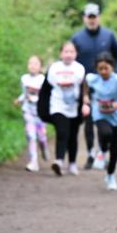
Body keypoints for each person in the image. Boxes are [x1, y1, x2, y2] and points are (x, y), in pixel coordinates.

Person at [70, 3, 117, 171]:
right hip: (85, 86)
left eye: (94, 17)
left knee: (104, 120)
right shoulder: (77, 38)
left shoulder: (108, 36)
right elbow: (71, 60)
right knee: (88, 121)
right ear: (84, 18)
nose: (92, 20)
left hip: (106, 86)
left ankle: (103, 152)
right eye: (89, 17)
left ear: (99, 17)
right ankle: (90, 154)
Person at [81, 51, 117, 191]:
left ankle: (110, 175)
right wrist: (85, 97)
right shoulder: (93, 78)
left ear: (112, 67)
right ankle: (102, 152)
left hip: (116, 118)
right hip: (99, 114)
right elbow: (85, 82)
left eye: (106, 68)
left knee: (115, 149)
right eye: (100, 68)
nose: (103, 71)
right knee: (105, 132)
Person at [37, 41, 86, 176]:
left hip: (75, 107)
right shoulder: (53, 69)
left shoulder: (80, 69)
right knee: (62, 132)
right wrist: (42, 109)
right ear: (60, 53)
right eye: (66, 51)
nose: (68, 54)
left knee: (73, 136)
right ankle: (58, 161)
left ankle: (72, 163)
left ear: (76, 54)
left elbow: (84, 89)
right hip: (57, 105)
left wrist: (86, 105)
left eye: (71, 52)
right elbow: (46, 89)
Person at [14, 55, 50, 172]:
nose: (32, 66)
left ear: (40, 66)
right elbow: (25, 93)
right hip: (28, 111)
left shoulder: (44, 80)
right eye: (30, 63)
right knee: (31, 136)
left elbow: (46, 96)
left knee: (41, 137)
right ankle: (33, 162)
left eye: (35, 64)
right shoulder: (24, 78)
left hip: (40, 114)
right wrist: (19, 99)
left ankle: (44, 147)